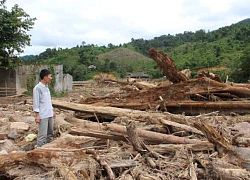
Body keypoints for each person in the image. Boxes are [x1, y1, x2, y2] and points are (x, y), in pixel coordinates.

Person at [33, 69, 56, 147]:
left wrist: (52, 111)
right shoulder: (37, 88)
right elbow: (36, 103)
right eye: (50, 76)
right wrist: (37, 115)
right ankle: (39, 150)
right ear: (45, 77)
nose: (51, 78)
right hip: (43, 115)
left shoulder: (46, 87)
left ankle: (48, 148)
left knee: (50, 134)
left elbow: (48, 101)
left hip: (49, 114)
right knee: (42, 135)